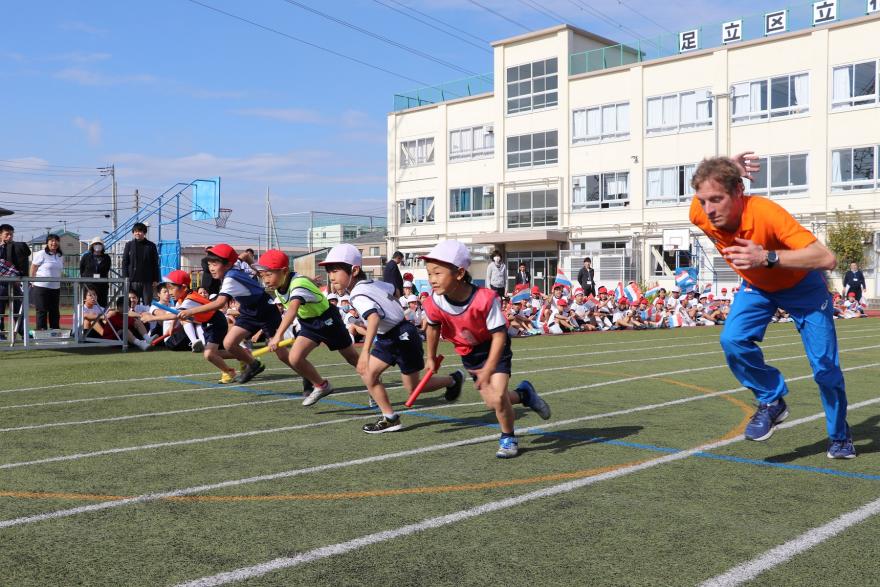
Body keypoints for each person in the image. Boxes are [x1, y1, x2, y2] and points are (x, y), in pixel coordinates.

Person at [690, 153, 855, 459]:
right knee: (732, 339)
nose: (708, 210)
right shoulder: (700, 214)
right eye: (702, 201)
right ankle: (772, 399)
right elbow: (710, 195)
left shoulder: (767, 213)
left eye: (716, 199)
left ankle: (840, 437)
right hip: (758, 287)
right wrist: (730, 167)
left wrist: (768, 257)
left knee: (825, 370)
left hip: (803, 288)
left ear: (739, 192)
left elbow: (826, 258)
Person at [420, 240, 551, 459]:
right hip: (469, 353)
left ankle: (508, 437)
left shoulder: (484, 299)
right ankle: (524, 394)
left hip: (494, 348)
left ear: (460, 273)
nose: (432, 279)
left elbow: (500, 335)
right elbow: (433, 327)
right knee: (492, 403)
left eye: (437, 273)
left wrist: (490, 367)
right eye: (429, 273)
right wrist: (430, 357)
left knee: (499, 396)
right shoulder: (434, 301)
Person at [321, 244, 464, 433]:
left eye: (336, 270)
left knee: (412, 388)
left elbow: (373, 318)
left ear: (354, 270)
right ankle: (390, 418)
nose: (331, 276)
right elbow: (394, 290)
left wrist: (364, 352)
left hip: (402, 336)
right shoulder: (373, 283)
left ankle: (452, 380)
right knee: (369, 374)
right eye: (329, 271)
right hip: (390, 335)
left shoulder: (357, 294)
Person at [256, 249, 362, 404]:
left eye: (268, 274)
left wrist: (278, 336)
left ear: (284, 271)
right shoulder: (280, 285)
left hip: (328, 321)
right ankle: (321, 385)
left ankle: (371, 375)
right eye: (262, 275)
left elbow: (292, 310)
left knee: (352, 358)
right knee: (295, 358)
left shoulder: (298, 284)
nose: (265, 280)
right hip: (309, 324)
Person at [177, 244, 279, 384]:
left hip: (265, 309)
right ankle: (254, 365)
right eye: (209, 263)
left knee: (281, 352)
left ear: (226, 264)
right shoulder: (233, 264)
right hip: (249, 311)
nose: (211, 267)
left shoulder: (230, 278)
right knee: (229, 343)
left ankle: (307, 377)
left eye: (215, 263)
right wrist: (254, 268)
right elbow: (246, 255)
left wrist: (190, 311)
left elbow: (219, 303)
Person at [150, 270, 239, 382]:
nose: (170, 291)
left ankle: (229, 372)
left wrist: (151, 318)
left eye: (172, 288)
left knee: (209, 354)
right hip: (209, 324)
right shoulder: (183, 298)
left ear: (183, 287)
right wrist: (171, 327)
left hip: (216, 323)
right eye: (168, 288)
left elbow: (174, 315)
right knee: (214, 353)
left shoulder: (190, 299)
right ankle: (243, 356)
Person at [0, 223, 30, 338]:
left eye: (11, 235)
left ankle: (23, 332)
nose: (9, 237)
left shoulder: (15, 246)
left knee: (19, 308)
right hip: (1, 284)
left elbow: (22, 261)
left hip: (14, 283)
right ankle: (1, 334)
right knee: (0, 309)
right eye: (7, 234)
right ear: (0, 235)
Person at [30, 233, 64, 330]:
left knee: (54, 311)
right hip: (41, 286)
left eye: (56, 240)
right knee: (42, 310)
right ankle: (41, 331)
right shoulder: (41, 253)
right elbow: (33, 267)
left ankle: (55, 330)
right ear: (47, 242)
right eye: (51, 241)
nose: (54, 243)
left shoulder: (60, 255)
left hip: (55, 287)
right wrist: (32, 281)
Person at [121, 222, 160, 305]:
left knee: (147, 303)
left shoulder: (151, 246)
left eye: (139, 231)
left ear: (144, 232)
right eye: (135, 231)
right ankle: (134, 318)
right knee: (133, 303)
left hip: (147, 280)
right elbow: (125, 262)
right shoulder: (129, 245)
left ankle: (147, 317)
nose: (137, 233)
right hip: (133, 280)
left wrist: (156, 279)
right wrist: (125, 277)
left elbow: (155, 263)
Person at [79, 237, 111, 307]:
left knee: (102, 305)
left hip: (102, 286)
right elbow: (82, 269)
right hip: (88, 285)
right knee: (88, 304)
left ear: (103, 246)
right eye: (95, 244)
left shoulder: (107, 258)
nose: (97, 245)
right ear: (92, 246)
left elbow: (107, 269)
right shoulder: (86, 257)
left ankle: (101, 317)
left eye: (99, 244)